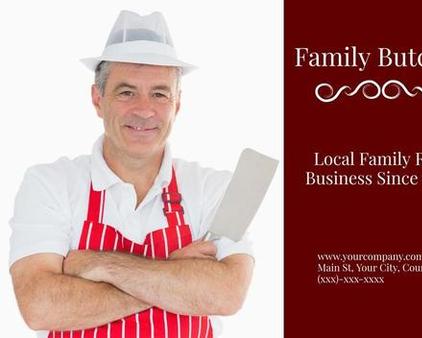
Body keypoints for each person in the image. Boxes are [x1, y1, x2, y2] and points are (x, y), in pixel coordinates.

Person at [9, 10, 254, 338]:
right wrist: (175, 274)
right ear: (98, 100)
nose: (144, 109)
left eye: (159, 93)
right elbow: (40, 306)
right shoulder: (49, 183)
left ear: (177, 104)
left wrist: (99, 266)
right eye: (126, 92)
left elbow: (227, 294)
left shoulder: (221, 188)